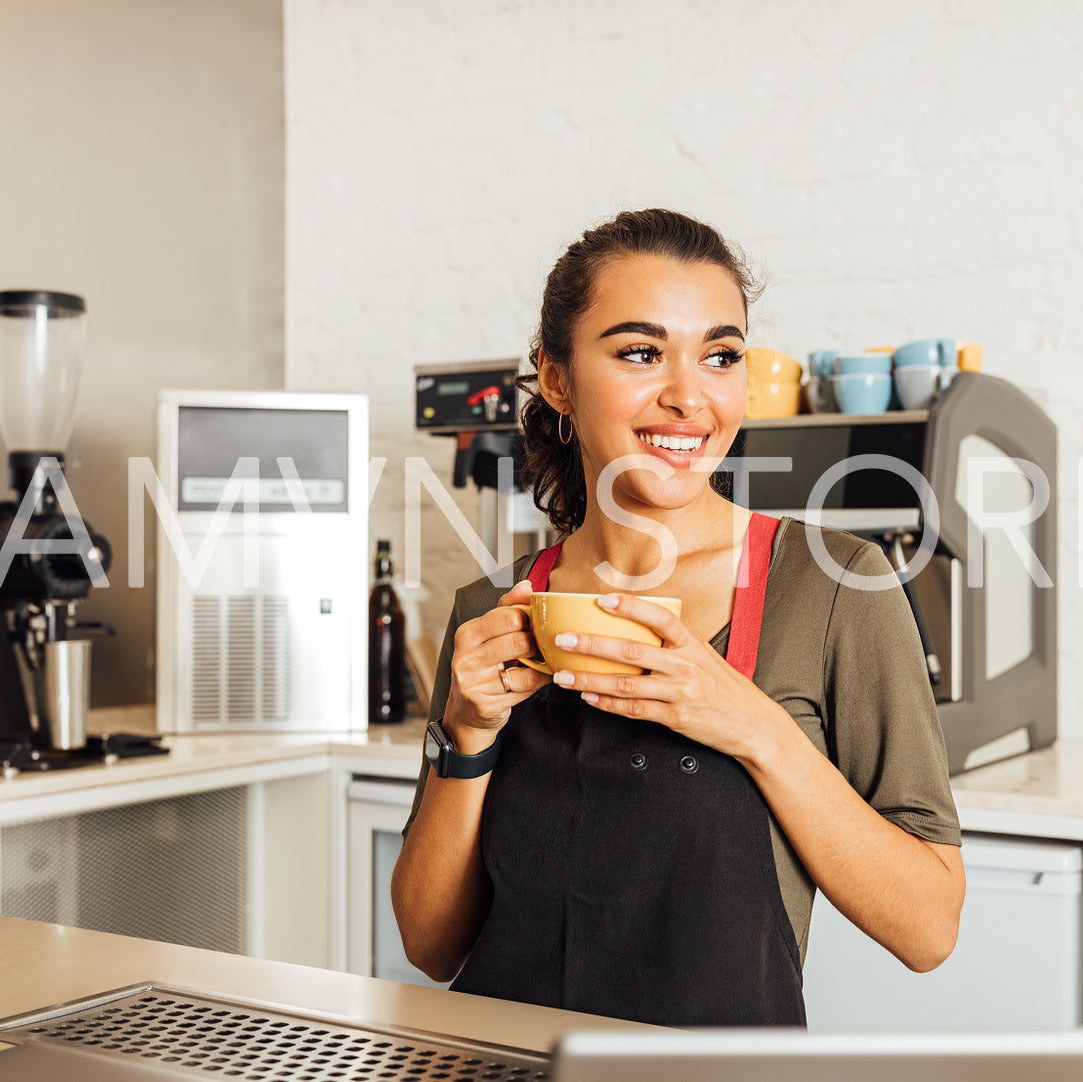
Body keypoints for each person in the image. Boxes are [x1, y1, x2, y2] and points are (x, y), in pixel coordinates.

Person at [392, 208, 964, 1028]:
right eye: (639, 352)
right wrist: (466, 732)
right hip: (508, 1062)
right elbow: (430, 944)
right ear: (557, 379)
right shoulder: (490, 608)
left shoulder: (836, 586)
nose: (688, 396)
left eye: (720, 356)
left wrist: (753, 728)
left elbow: (928, 926)